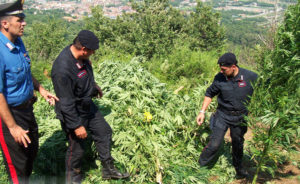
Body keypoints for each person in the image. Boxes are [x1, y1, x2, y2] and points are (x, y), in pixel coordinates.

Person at [51, 30, 130, 183]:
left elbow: (85, 74)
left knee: (104, 131)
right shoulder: (62, 70)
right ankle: (72, 179)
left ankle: (108, 170)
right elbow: (66, 103)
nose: (93, 54)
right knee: (77, 149)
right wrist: (76, 125)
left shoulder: (81, 56)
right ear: (84, 49)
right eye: (92, 51)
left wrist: (93, 86)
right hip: (73, 111)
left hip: (87, 105)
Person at [0, 1, 59, 184]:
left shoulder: (18, 42)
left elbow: (24, 71)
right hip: (9, 115)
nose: (24, 23)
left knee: (31, 153)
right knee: (18, 167)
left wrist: (40, 89)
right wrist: (12, 127)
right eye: (20, 20)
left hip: (27, 110)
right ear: (5, 23)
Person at [196, 53, 258, 178]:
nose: (221, 71)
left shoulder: (250, 76)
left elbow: (265, 87)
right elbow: (209, 93)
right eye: (220, 68)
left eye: (224, 69)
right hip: (222, 115)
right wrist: (202, 112)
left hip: (240, 117)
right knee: (214, 144)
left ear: (233, 66)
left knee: (238, 143)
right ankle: (200, 167)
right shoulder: (219, 78)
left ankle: (239, 170)